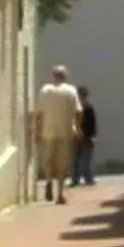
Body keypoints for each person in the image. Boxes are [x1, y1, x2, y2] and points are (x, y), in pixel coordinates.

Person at [33, 66, 82, 203]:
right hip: (65, 131)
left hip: (48, 131)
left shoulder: (45, 90)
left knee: (48, 160)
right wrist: (77, 129)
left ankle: (48, 180)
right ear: (65, 76)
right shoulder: (71, 91)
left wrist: (37, 131)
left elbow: (39, 114)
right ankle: (60, 194)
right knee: (63, 164)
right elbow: (78, 112)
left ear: (53, 76)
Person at [73, 86, 98, 186]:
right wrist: (93, 135)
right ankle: (86, 178)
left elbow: (92, 122)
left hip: (81, 134)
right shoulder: (87, 107)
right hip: (84, 135)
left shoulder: (81, 107)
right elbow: (93, 123)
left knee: (79, 158)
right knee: (83, 158)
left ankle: (78, 178)